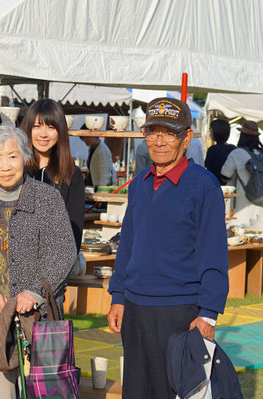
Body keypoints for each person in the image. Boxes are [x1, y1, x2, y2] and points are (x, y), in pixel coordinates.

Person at [107, 97, 229, 399]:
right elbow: (128, 245)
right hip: (135, 310)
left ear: (186, 138)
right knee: (136, 391)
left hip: (180, 312)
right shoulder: (138, 184)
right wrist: (118, 296)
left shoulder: (204, 186)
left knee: (176, 392)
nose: (159, 140)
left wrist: (209, 314)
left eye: (169, 133)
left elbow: (213, 253)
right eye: (152, 131)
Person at [0, 125, 77, 399]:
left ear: (25, 157)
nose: (5, 166)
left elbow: (63, 252)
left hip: (40, 319)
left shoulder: (47, 198)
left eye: (12, 156)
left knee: (45, 392)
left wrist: (34, 291)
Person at [20, 99, 84, 251]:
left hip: (55, 266)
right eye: (37, 126)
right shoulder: (16, 169)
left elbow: (75, 229)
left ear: (60, 131)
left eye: (51, 127)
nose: (43, 134)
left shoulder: (71, 174)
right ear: (28, 128)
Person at [221, 120, 263, 225]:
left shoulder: (237, 153)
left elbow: (225, 175)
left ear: (242, 136)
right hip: (260, 207)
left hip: (241, 207)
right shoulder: (261, 154)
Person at [205, 119, 235, 184]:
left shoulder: (212, 150)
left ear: (216, 131)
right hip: (230, 186)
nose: (210, 132)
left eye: (211, 129)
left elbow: (209, 170)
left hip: (215, 185)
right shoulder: (233, 149)